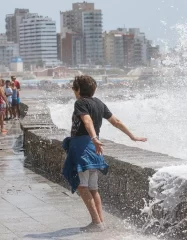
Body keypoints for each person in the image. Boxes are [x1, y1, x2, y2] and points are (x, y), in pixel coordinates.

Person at [62, 75, 147, 232]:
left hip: (84, 148)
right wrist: (132, 136)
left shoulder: (80, 102)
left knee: (82, 186)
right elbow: (116, 122)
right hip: (95, 150)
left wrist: (93, 138)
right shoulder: (99, 103)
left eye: (74, 88)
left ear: (79, 90)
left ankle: (96, 222)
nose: (74, 91)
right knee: (93, 188)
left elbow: (87, 121)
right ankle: (100, 222)